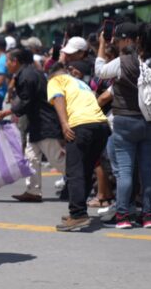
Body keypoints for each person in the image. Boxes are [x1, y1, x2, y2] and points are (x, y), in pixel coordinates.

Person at [95, 22, 151, 229]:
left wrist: (102, 45)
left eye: (117, 40)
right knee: (147, 171)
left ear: (130, 40)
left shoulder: (123, 61)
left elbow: (100, 71)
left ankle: (123, 216)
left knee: (125, 172)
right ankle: (147, 216)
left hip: (125, 121)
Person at [0, 47, 64, 203]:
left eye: (7, 62)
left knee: (57, 160)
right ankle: (33, 191)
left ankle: (85, 179)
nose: (5, 66)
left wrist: (5, 113)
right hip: (37, 123)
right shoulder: (26, 74)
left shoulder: (28, 75)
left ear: (15, 61)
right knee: (31, 157)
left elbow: (26, 100)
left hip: (45, 122)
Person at [47, 63, 110, 231]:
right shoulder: (79, 83)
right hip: (101, 126)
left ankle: (78, 214)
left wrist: (64, 124)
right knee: (86, 170)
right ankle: (79, 210)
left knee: (74, 171)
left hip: (81, 126)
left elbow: (58, 97)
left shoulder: (56, 80)